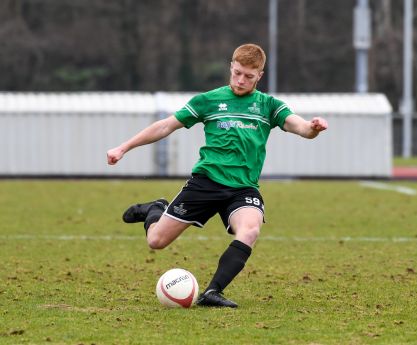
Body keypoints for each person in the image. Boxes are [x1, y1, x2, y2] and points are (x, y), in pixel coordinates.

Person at [106, 43, 328, 308]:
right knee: (156, 241)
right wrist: (123, 147)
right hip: (206, 183)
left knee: (250, 229)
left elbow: (300, 127)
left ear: (260, 75)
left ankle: (213, 292)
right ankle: (156, 209)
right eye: (237, 73)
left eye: (248, 75)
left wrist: (313, 128)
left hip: (243, 188)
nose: (240, 80)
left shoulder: (268, 106)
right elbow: (166, 125)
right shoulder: (209, 100)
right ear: (230, 68)